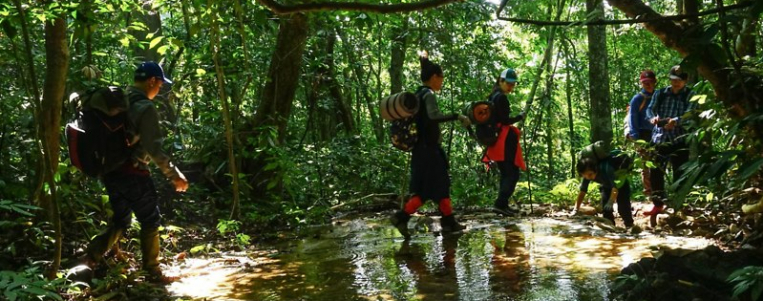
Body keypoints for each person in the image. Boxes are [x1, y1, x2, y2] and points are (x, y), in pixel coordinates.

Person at [83, 61, 189, 283]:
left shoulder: (120, 101)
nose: (159, 89)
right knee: (150, 219)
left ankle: (91, 256)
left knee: (122, 220)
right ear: (151, 81)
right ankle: (153, 271)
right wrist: (174, 175)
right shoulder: (145, 107)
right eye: (159, 85)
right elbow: (154, 148)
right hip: (133, 172)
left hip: (110, 171)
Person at [390, 51, 471, 239]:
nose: (441, 82)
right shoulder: (428, 95)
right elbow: (434, 116)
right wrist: (457, 116)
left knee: (427, 189)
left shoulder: (418, 94)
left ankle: (448, 221)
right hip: (429, 152)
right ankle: (402, 217)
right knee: (435, 187)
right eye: (441, 78)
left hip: (421, 151)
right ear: (435, 77)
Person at [644, 65, 696, 220]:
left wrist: (676, 121)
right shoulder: (660, 93)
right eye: (673, 80)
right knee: (656, 173)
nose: (676, 83)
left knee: (679, 172)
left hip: (679, 139)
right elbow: (650, 109)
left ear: (685, 81)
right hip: (659, 138)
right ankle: (658, 204)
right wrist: (653, 118)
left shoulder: (690, 94)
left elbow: (690, 114)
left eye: (679, 80)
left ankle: (678, 205)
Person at [482, 68, 526, 216]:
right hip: (503, 140)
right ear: (500, 81)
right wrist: (519, 117)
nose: (511, 87)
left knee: (506, 173)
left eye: (513, 84)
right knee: (512, 174)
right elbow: (505, 120)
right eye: (508, 83)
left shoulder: (492, 96)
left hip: (496, 139)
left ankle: (503, 204)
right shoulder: (501, 98)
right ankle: (500, 204)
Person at [573, 152, 634, 228]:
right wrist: (576, 209)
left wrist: (611, 201)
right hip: (606, 187)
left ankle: (630, 227)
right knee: (606, 210)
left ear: (595, 169)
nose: (588, 178)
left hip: (621, 185)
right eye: (585, 176)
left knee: (623, 208)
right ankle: (610, 228)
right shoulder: (587, 175)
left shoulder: (606, 168)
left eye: (590, 175)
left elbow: (615, 188)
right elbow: (582, 191)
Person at [626, 70, 656, 197]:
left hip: (657, 133)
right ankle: (649, 192)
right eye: (645, 83)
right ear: (641, 83)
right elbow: (632, 118)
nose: (648, 85)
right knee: (645, 164)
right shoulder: (638, 99)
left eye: (650, 82)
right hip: (642, 134)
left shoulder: (658, 96)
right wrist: (635, 137)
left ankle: (658, 191)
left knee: (656, 163)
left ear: (654, 82)